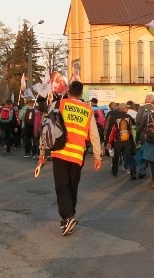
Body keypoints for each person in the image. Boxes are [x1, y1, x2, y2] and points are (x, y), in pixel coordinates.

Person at [43, 80, 101, 236]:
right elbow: (94, 134)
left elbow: (47, 128)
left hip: (60, 152)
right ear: (82, 94)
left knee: (61, 187)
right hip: (77, 154)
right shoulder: (88, 109)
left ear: (68, 92)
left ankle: (68, 217)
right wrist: (97, 155)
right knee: (72, 187)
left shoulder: (58, 104)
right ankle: (68, 219)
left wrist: (42, 153)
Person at [105, 103, 136, 179]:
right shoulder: (129, 117)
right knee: (129, 156)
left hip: (117, 140)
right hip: (127, 140)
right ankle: (133, 173)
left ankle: (114, 172)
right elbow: (133, 127)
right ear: (124, 109)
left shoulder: (115, 117)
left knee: (116, 156)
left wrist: (109, 141)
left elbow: (112, 130)